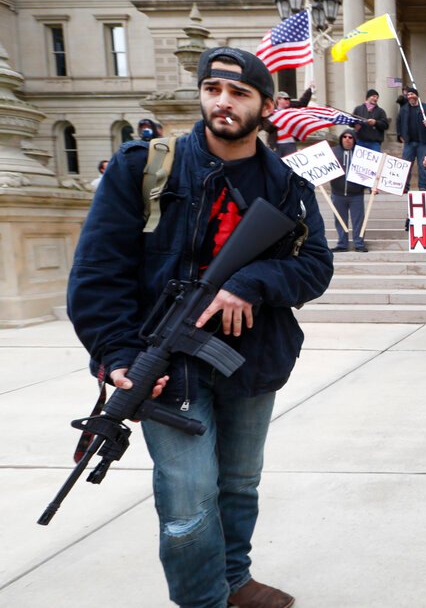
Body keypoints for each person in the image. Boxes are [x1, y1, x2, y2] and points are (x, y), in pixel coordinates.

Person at [66, 46, 334, 608]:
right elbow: (96, 272)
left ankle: (234, 580)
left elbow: (315, 267)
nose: (223, 102)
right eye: (213, 89)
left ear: (267, 106)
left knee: (239, 483)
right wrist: (117, 355)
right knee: (187, 503)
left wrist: (252, 282)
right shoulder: (145, 166)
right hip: (164, 364)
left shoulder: (286, 184)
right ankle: (203, 600)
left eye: (239, 93)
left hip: (252, 359)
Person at [331, 128, 371, 253]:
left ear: (354, 140)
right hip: (337, 194)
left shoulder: (362, 155)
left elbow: (369, 171)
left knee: (358, 220)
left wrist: (371, 187)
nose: (347, 139)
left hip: (356, 195)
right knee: (340, 220)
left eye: (350, 137)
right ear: (341, 139)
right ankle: (342, 244)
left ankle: (359, 243)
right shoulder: (333, 152)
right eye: (345, 137)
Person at [396, 86, 426, 191]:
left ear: (416, 95)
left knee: (422, 165)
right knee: (406, 165)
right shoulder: (404, 109)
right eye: (408, 95)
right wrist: (400, 135)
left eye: (412, 94)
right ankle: (404, 187)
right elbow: (398, 122)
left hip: (423, 142)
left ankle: (422, 186)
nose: (410, 96)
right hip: (409, 142)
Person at [264, 86, 314, 155]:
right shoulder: (272, 112)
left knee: (290, 161)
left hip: (290, 143)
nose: (288, 101)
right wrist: (276, 123)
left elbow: (302, 103)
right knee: (277, 161)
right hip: (276, 145)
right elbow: (266, 127)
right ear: (279, 99)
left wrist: (309, 90)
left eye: (289, 99)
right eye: (285, 99)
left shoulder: (291, 109)